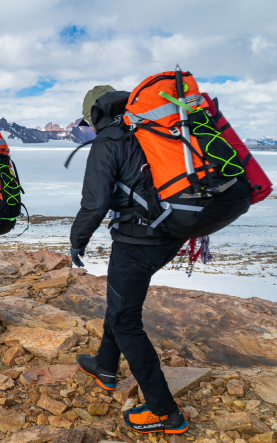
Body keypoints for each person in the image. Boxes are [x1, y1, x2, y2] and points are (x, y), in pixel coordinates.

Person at [71, 86, 188, 434]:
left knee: (125, 320)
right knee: (120, 302)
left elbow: (95, 202)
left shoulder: (111, 139)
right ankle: (105, 366)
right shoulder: (149, 128)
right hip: (171, 232)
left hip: (138, 239)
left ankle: (165, 412)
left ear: (95, 114)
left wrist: (77, 240)